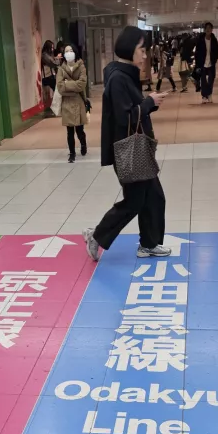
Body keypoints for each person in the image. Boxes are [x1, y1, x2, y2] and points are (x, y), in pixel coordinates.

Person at [83, 27, 169, 261]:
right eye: (141, 50)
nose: (144, 55)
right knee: (134, 201)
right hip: (128, 152)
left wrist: (149, 102)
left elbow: (132, 109)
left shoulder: (124, 74)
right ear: (130, 49)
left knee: (154, 197)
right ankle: (97, 236)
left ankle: (149, 244)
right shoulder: (119, 78)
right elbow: (125, 117)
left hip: (137, 149)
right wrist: (148, 103)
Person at [57, 44, 88, 163]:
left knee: (80, 129)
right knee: (69, 131)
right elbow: (60, 87)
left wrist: (67, 84)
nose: (69, 53)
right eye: (66, 51)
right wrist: (74, 85)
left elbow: (82, 84)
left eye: (71, 50)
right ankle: (72, 153)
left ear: (75, 52)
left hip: (78, 101)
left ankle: (83, 144)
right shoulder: (61, 69)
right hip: (67, 103)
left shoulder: (81, 67)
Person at [194, 22, 218, 103]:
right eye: (207, 28)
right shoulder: (200, 40)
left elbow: (217, 51)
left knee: (211, 80)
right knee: (203, 81)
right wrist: (197, 63)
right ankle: (204, 96)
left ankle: (209, 94)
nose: (208, 29)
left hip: (211, 63)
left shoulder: (214, 40)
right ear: (205, 30)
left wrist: (214, 60)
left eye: (210, 28)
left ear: (212, 29)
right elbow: (197, 52)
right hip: (202, 63)